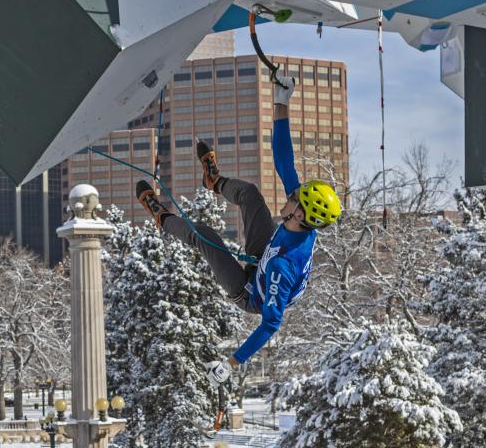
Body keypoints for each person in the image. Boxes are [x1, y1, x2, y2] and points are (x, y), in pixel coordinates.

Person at [136, 74, 342, 385]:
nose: (290, 196)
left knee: (205, 235)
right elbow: (285, 160)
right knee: (251, 194)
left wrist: (231, 363)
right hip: (265, 258)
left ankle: (161, 216)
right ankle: (213, 181)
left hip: (251, 292)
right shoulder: (300, 221)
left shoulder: (282, 268)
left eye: (294, 198)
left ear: (300, 213)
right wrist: (281, 102)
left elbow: (271, 325)